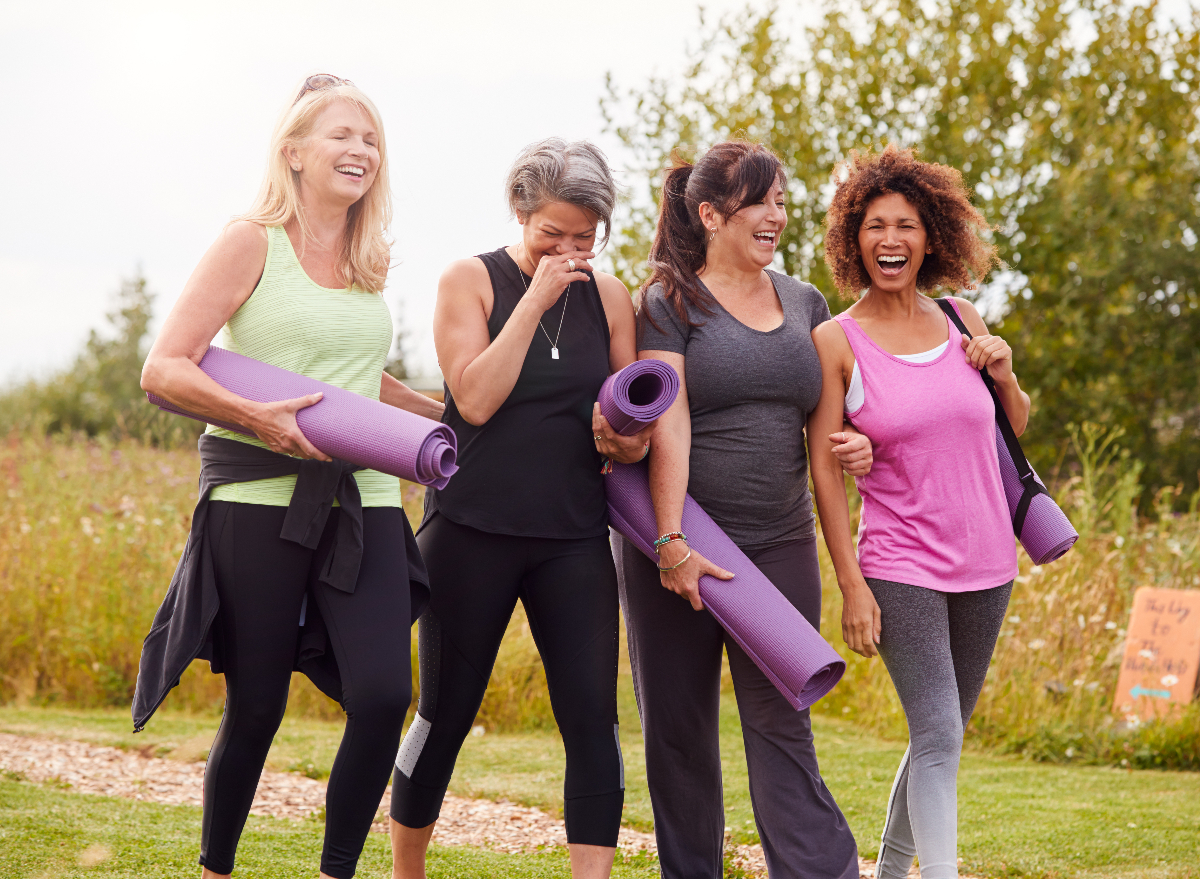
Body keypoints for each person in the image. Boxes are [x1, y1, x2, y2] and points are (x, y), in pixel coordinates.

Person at [137, 75, 442, 879]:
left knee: (382, 695)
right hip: (257, 498)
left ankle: (336, 870)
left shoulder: (367, 259)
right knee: (258, 705)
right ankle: (216, 868)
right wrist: (258, 417)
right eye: (342, 135)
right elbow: (165, 367)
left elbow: (356, 379)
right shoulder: (252, 241)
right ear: (294, 151)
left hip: (365, 497)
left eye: (371, 139)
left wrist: (448, 414)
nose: (360, 151)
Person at [388, 138, 652, 879]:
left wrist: (625, 439)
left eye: (584, 239)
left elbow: (631, 420)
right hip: (470, 529)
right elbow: (472, 397)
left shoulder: (610, 297)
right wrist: (534, 298)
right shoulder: (468, 281)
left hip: (571, 537)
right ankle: (406, 872)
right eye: (552, 236)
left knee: (593, 725)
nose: (569, 251)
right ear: (521, 211)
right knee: (441, 718)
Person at [614, 140, 871, 879]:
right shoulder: (668, 299)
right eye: (762, 201)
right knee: (680, 730)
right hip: (684, 539)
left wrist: (860, 452)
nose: (778, 217)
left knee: (782, 721)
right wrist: (668, 540)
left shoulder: (806, 303)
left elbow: (828, 439)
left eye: (783, 202)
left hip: (780, 541)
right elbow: (670, 418)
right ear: (710, 213)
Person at [809, 144, 1028, 879]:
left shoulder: (962, 318)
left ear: (931, 236)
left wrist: (1002, 370)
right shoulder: (835, 342)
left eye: (905, 224)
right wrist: (851, 584)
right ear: (853, 239)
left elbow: (1014, 426)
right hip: (900, 563)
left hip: (990, 560)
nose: (890, 239)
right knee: (936, 729)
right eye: (874, 225)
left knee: (944, 732)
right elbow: (823, 471)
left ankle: (892, 868)